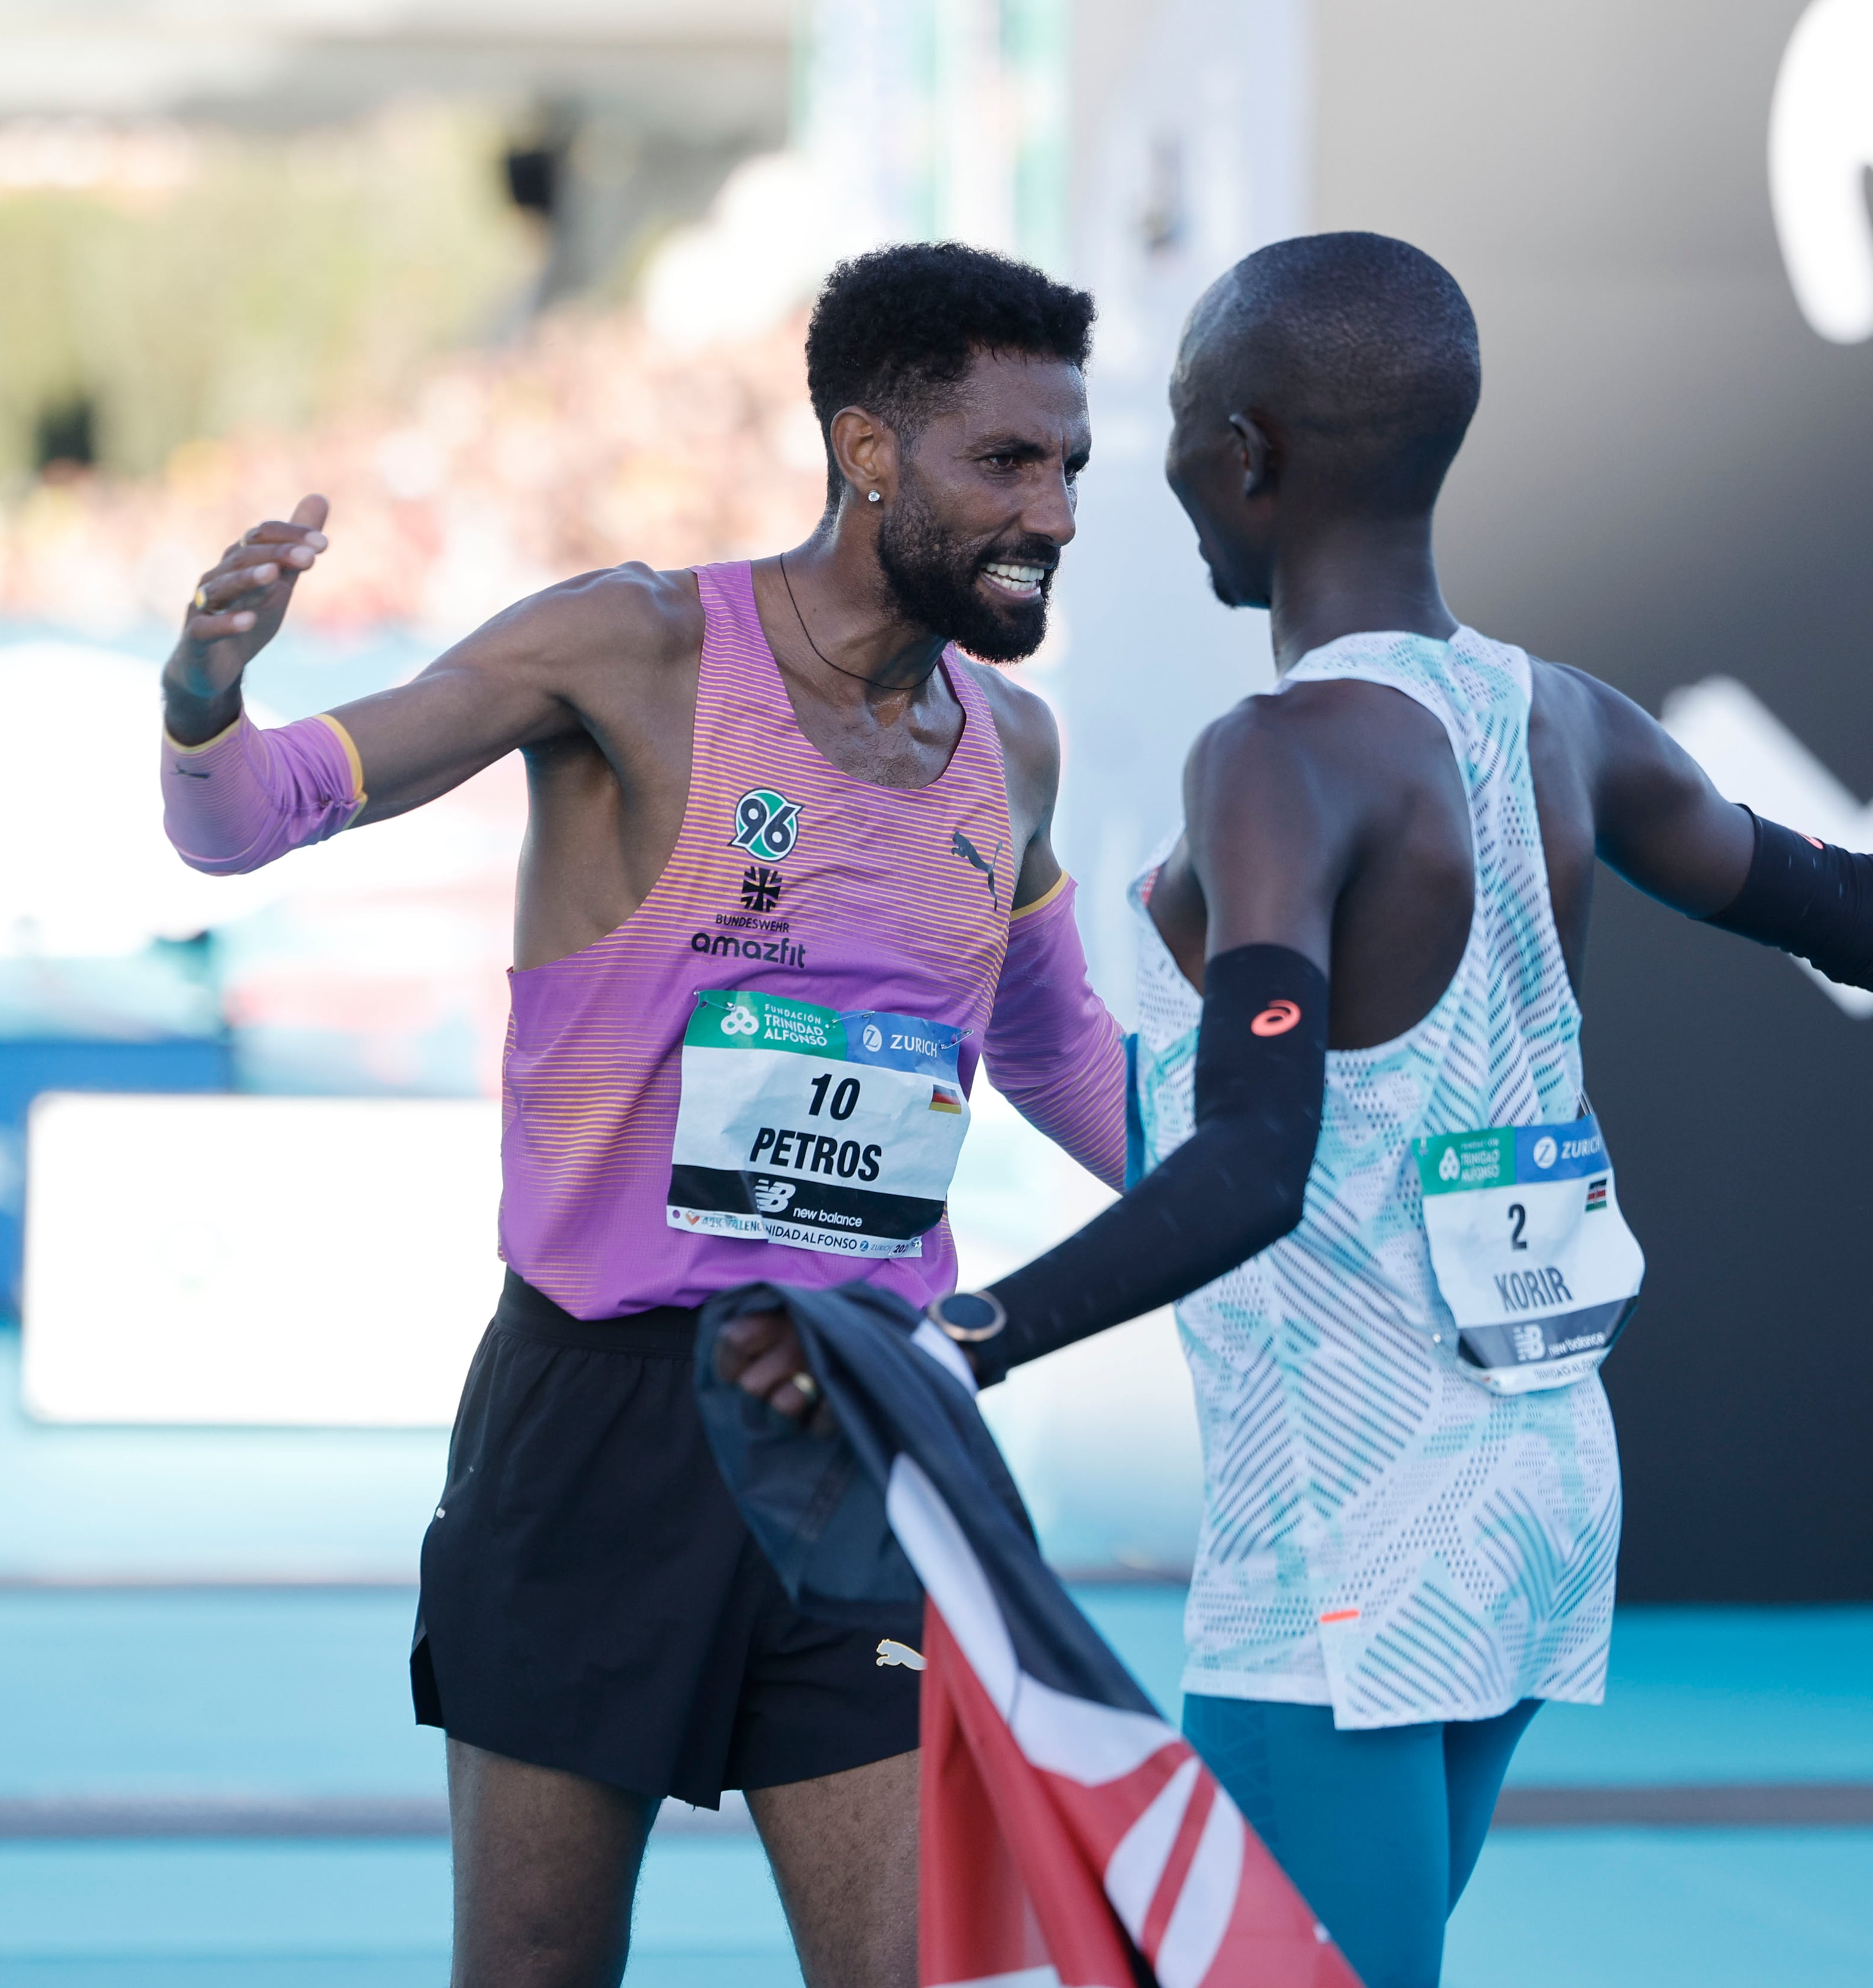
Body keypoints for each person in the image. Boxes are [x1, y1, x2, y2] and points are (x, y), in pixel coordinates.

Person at [719, 231, 1873, 1988]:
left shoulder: (1276, 758)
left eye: (1153, 433)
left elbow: (1254, 1166)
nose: (1122, 484)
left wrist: (948, 1340)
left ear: (1248, 452)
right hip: (1534, 1502)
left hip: (1344, 1554)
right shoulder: (1563, 721)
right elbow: (1862, 908)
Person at [157, 243, 1130, 1988]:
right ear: (871, 451)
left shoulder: (1017, 747)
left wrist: (1314, 1193)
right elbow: (257, 819)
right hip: (601, 1423)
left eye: (1073, 467)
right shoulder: (635, 649)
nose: (1054, 509)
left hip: (863, 1430)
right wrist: (202, 704)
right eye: (1011, 460)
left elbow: (1070, 1066)